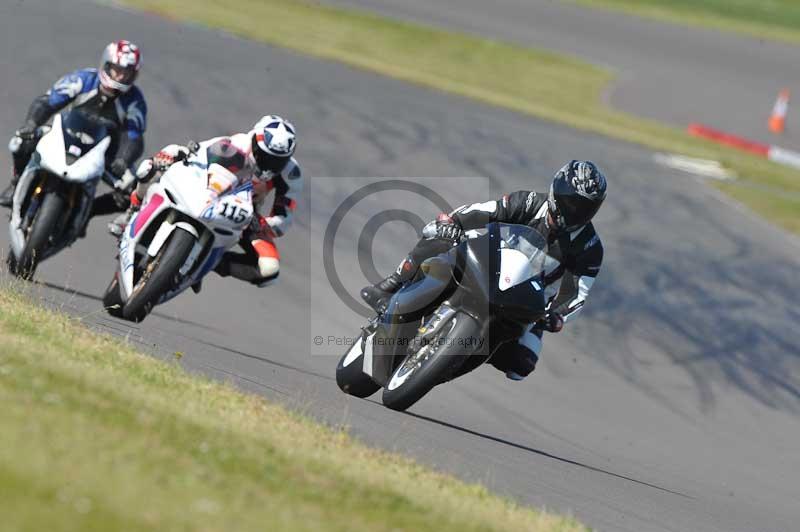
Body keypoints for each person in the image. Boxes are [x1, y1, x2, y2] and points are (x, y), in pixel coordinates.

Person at [361, 160, 607, 381]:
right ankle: (393, 284)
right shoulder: (531, 202)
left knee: (521, 365)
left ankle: (458, 356)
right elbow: (484, 211)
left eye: (585, 208)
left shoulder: (590, 247)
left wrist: (557, 315)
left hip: (528, 302)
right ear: (556, 192)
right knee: (440, 237)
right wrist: (453, 223)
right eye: (571, 202)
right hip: (487, 264)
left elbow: (577, 293)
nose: (575, 212)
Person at [114, 115, 302, 287]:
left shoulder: (291, 174)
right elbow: (197, 152)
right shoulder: (236, 143)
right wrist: (173, 156)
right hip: (206, 191)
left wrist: (261, 223)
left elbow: (283, 219)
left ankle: (207, 262)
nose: (270, 164)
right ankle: (133, 209)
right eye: (266, 156)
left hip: (242, 216)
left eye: (277, 160)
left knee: (269, 270)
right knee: (149, 168)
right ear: (254, 141)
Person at [1, 40, 147, 214]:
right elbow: (47, 102)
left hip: (105, 152)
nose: (121, 77)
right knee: (20, 142)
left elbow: (134, 136)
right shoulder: (83, 79)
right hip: (66, 133)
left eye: (127, 73)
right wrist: (32, 123)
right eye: (118, 70)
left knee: (134, 190)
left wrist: (124, 159)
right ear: (106, 64)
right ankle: (16, 183)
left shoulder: (135, 101)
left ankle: (88, 213)